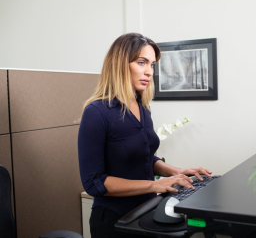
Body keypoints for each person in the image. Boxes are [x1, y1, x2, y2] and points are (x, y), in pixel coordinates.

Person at [78, 32, 212, 238]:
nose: (149, 71)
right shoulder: (97, 112)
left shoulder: (143, 108)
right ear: (120, 64)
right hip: (114, 220)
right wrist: (155, 184)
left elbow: (145, 157)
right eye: (142, 63)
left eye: (152, 65)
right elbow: (94, 182)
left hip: (146, 210)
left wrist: (178, 172)